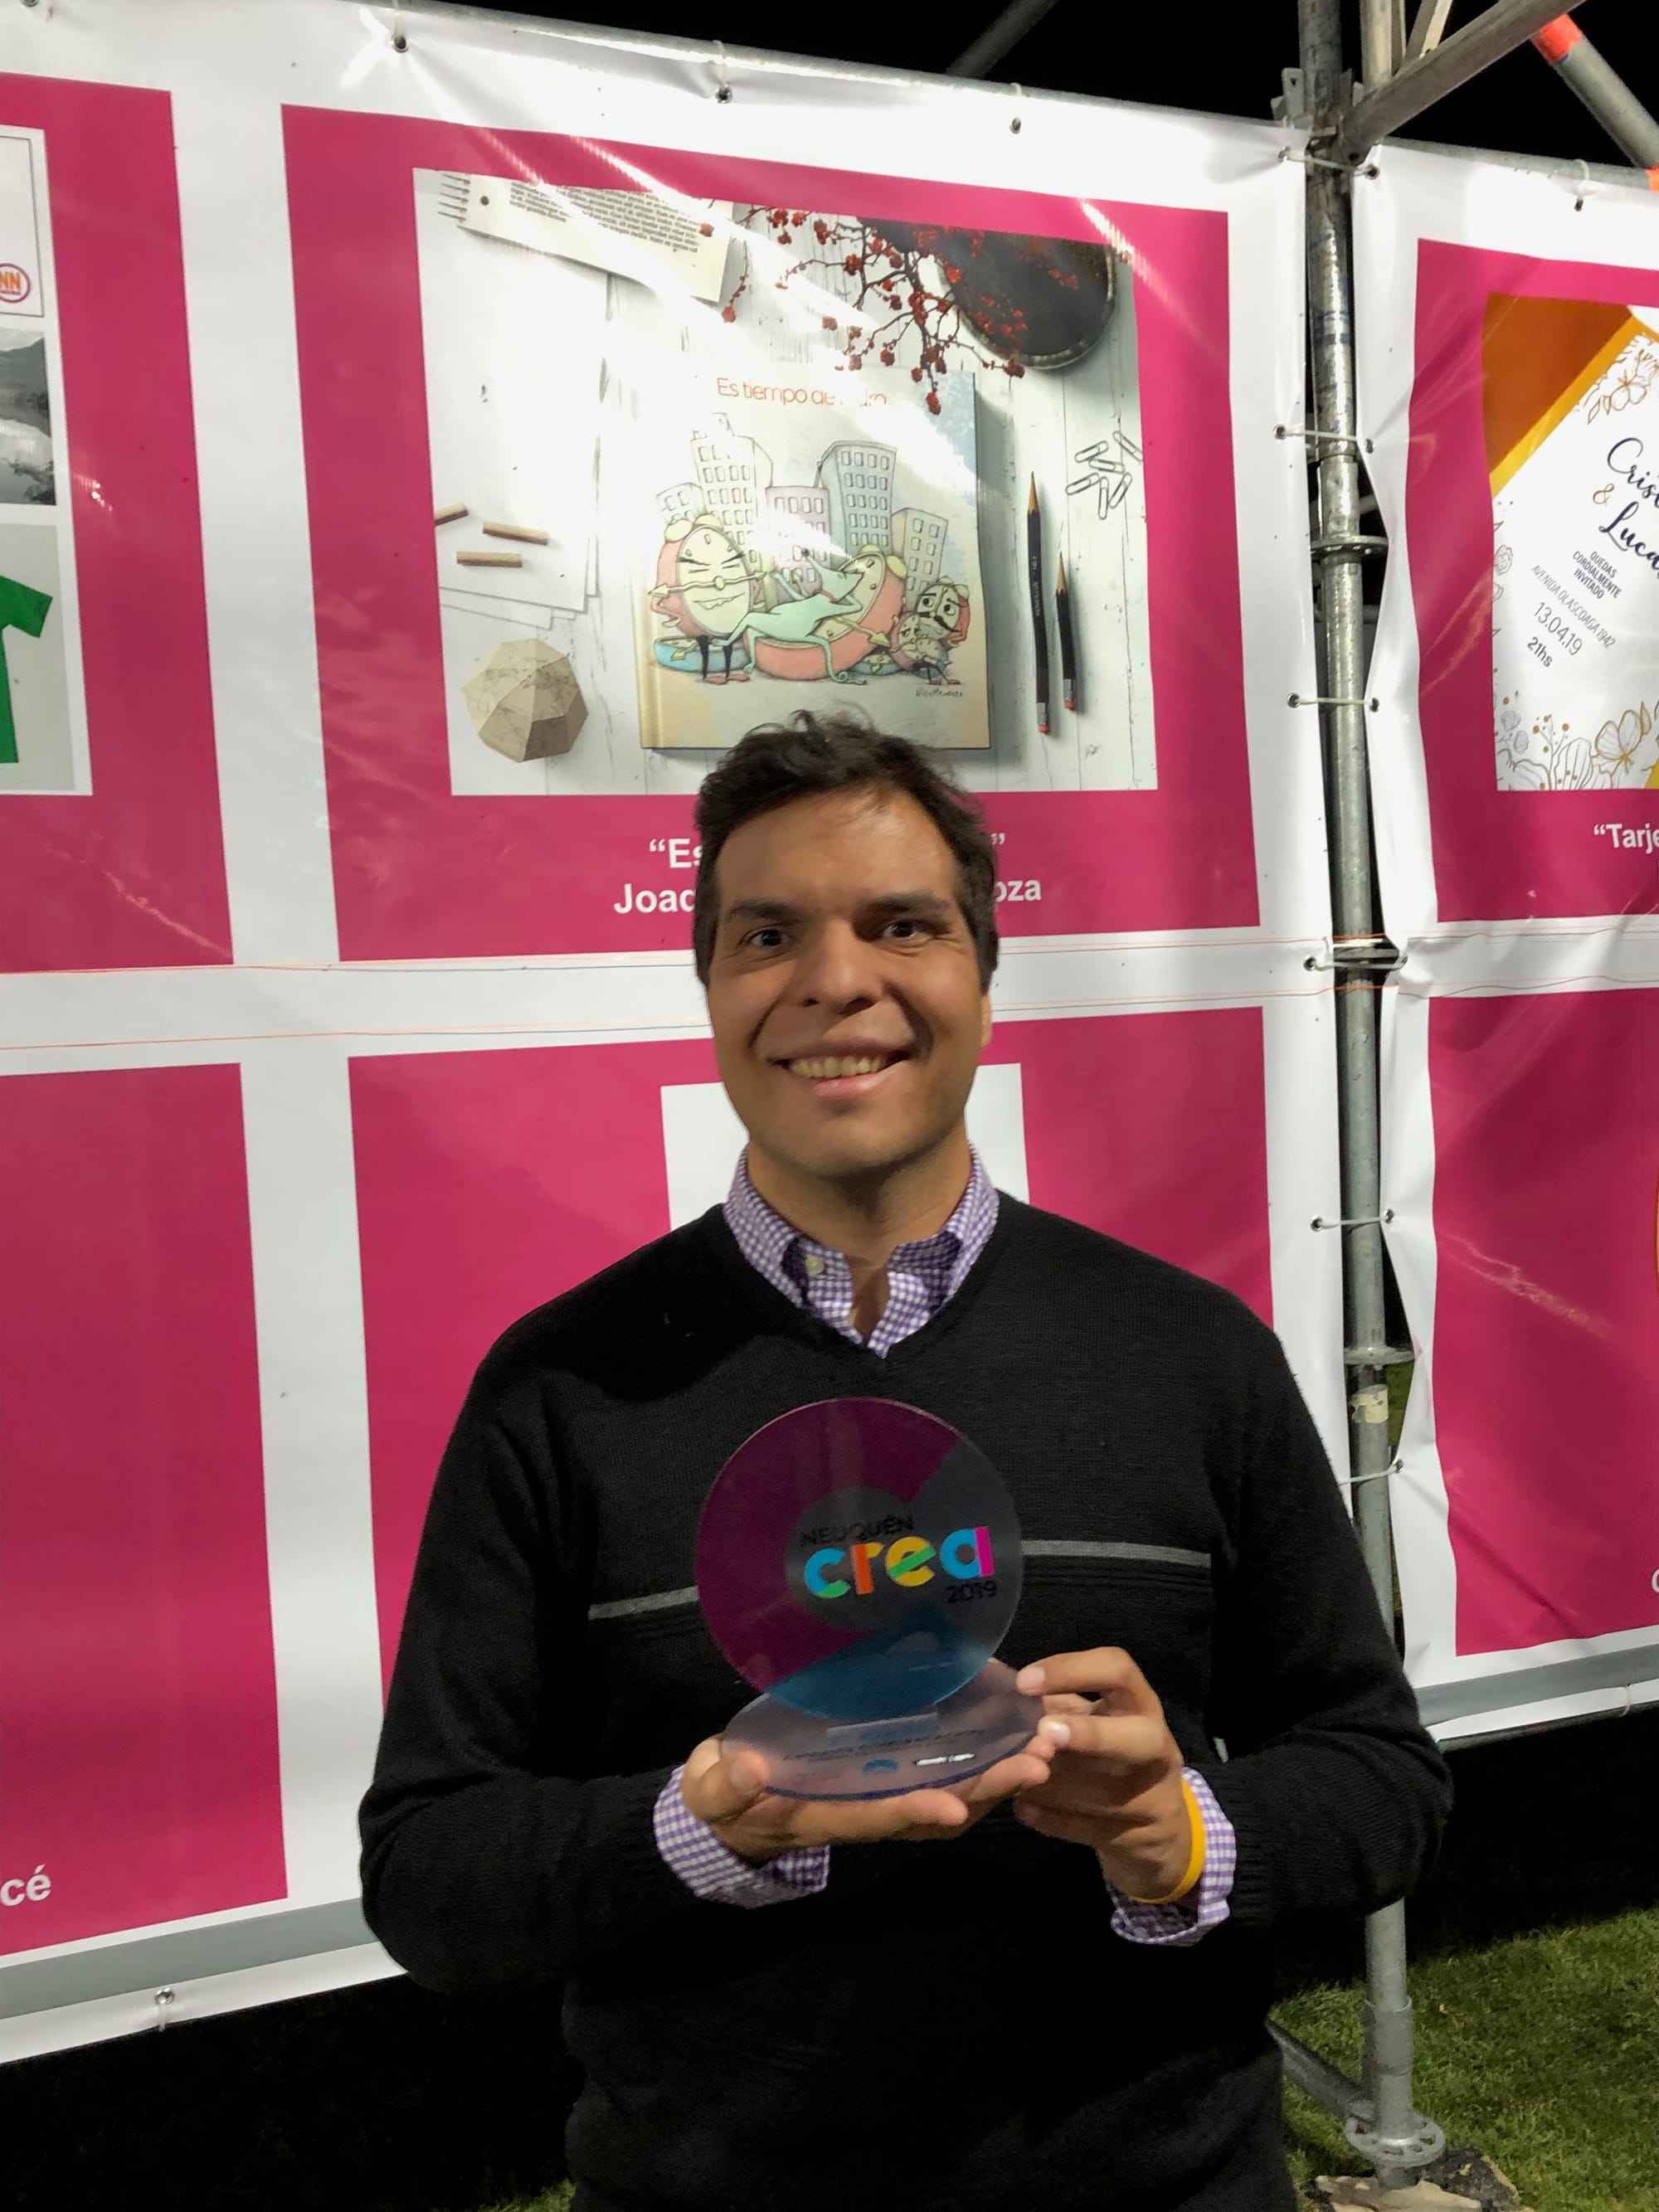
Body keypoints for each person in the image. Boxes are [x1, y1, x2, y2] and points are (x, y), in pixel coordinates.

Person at [361, 712, 1451, 2212]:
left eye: (901, 925)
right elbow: (431, 1874)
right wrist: (698, 1828)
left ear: (983, 978)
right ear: (709, 987)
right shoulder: (560, 1390)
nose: (836, 979)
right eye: (767, 935)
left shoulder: (1189, 1354)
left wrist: (1184, 1831)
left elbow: (1381, 1780)